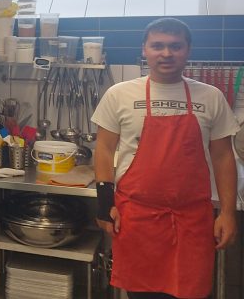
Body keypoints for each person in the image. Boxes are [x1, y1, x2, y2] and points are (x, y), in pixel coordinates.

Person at [92, 17, 239, 299]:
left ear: (188, 50)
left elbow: (223, 157)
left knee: (191, 293)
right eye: (158, 45)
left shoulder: (211, 97)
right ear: (144, 49)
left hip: (192, 220)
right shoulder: (119, 95)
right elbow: (104, 149)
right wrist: (104, 203)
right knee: (141, 295)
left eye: (175, 46)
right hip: (137, 218)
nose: (167, 53)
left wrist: (228, 214)